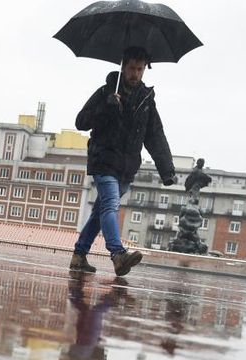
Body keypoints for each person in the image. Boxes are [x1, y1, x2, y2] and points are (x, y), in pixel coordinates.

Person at [70, 46, 177, 276]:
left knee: (100, 213)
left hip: (127, 168)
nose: (135, 74)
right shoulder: (105, 92)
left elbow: (155, 135)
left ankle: (79, 254)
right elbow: (81, 122)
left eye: (139, 69)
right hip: (104, 160)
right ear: (123, 67)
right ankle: (118, 254)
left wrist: (167, 170)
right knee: (110, 205)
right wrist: (107, 107)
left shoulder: (147, 100)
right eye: (131, 68)